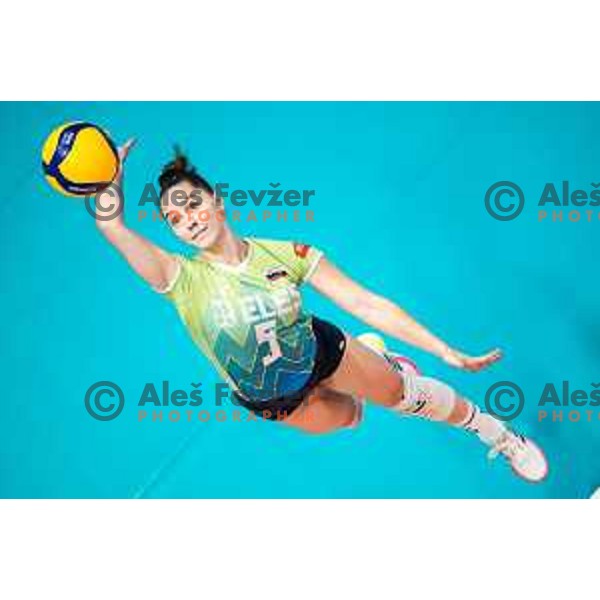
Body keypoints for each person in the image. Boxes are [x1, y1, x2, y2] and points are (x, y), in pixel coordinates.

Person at [95, 139, 548, 483]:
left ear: (218, 201)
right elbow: (110, 224)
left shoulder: (287, 254)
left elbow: (362, 301)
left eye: (192, 203)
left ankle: (496, 432)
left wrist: (443, 349)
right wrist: (107, 184)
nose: (188, 219)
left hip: (320, 354)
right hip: (272, 399)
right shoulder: (179, 278)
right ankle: (376, 356)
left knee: (397, 396)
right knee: (349, 418)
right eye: (174, 218)